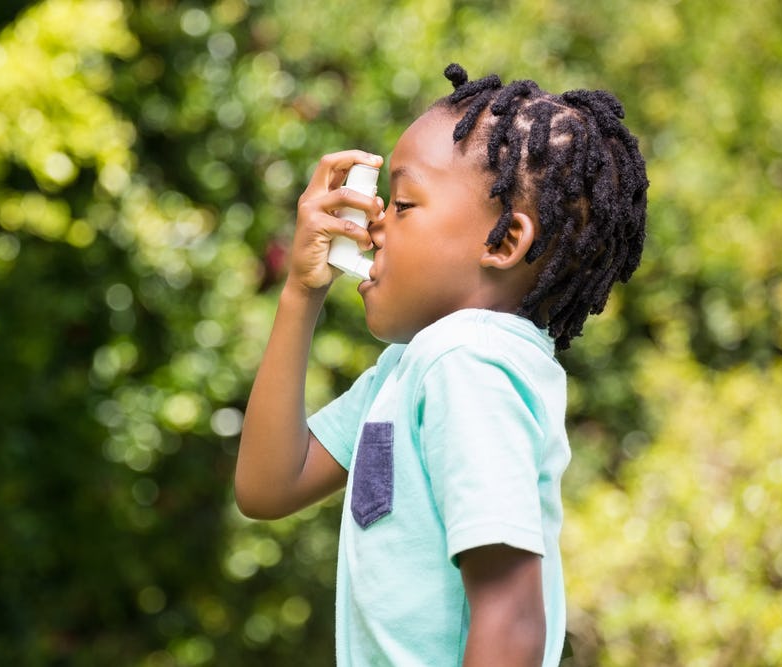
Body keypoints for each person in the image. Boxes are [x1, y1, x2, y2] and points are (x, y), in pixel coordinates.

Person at [234, 63, 648, 666]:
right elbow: (268, 485)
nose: (375, 225)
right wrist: (302, 291)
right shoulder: (411, 369)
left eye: (402, 204)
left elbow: (511, 617)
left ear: (504, 243)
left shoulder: (467, 364)